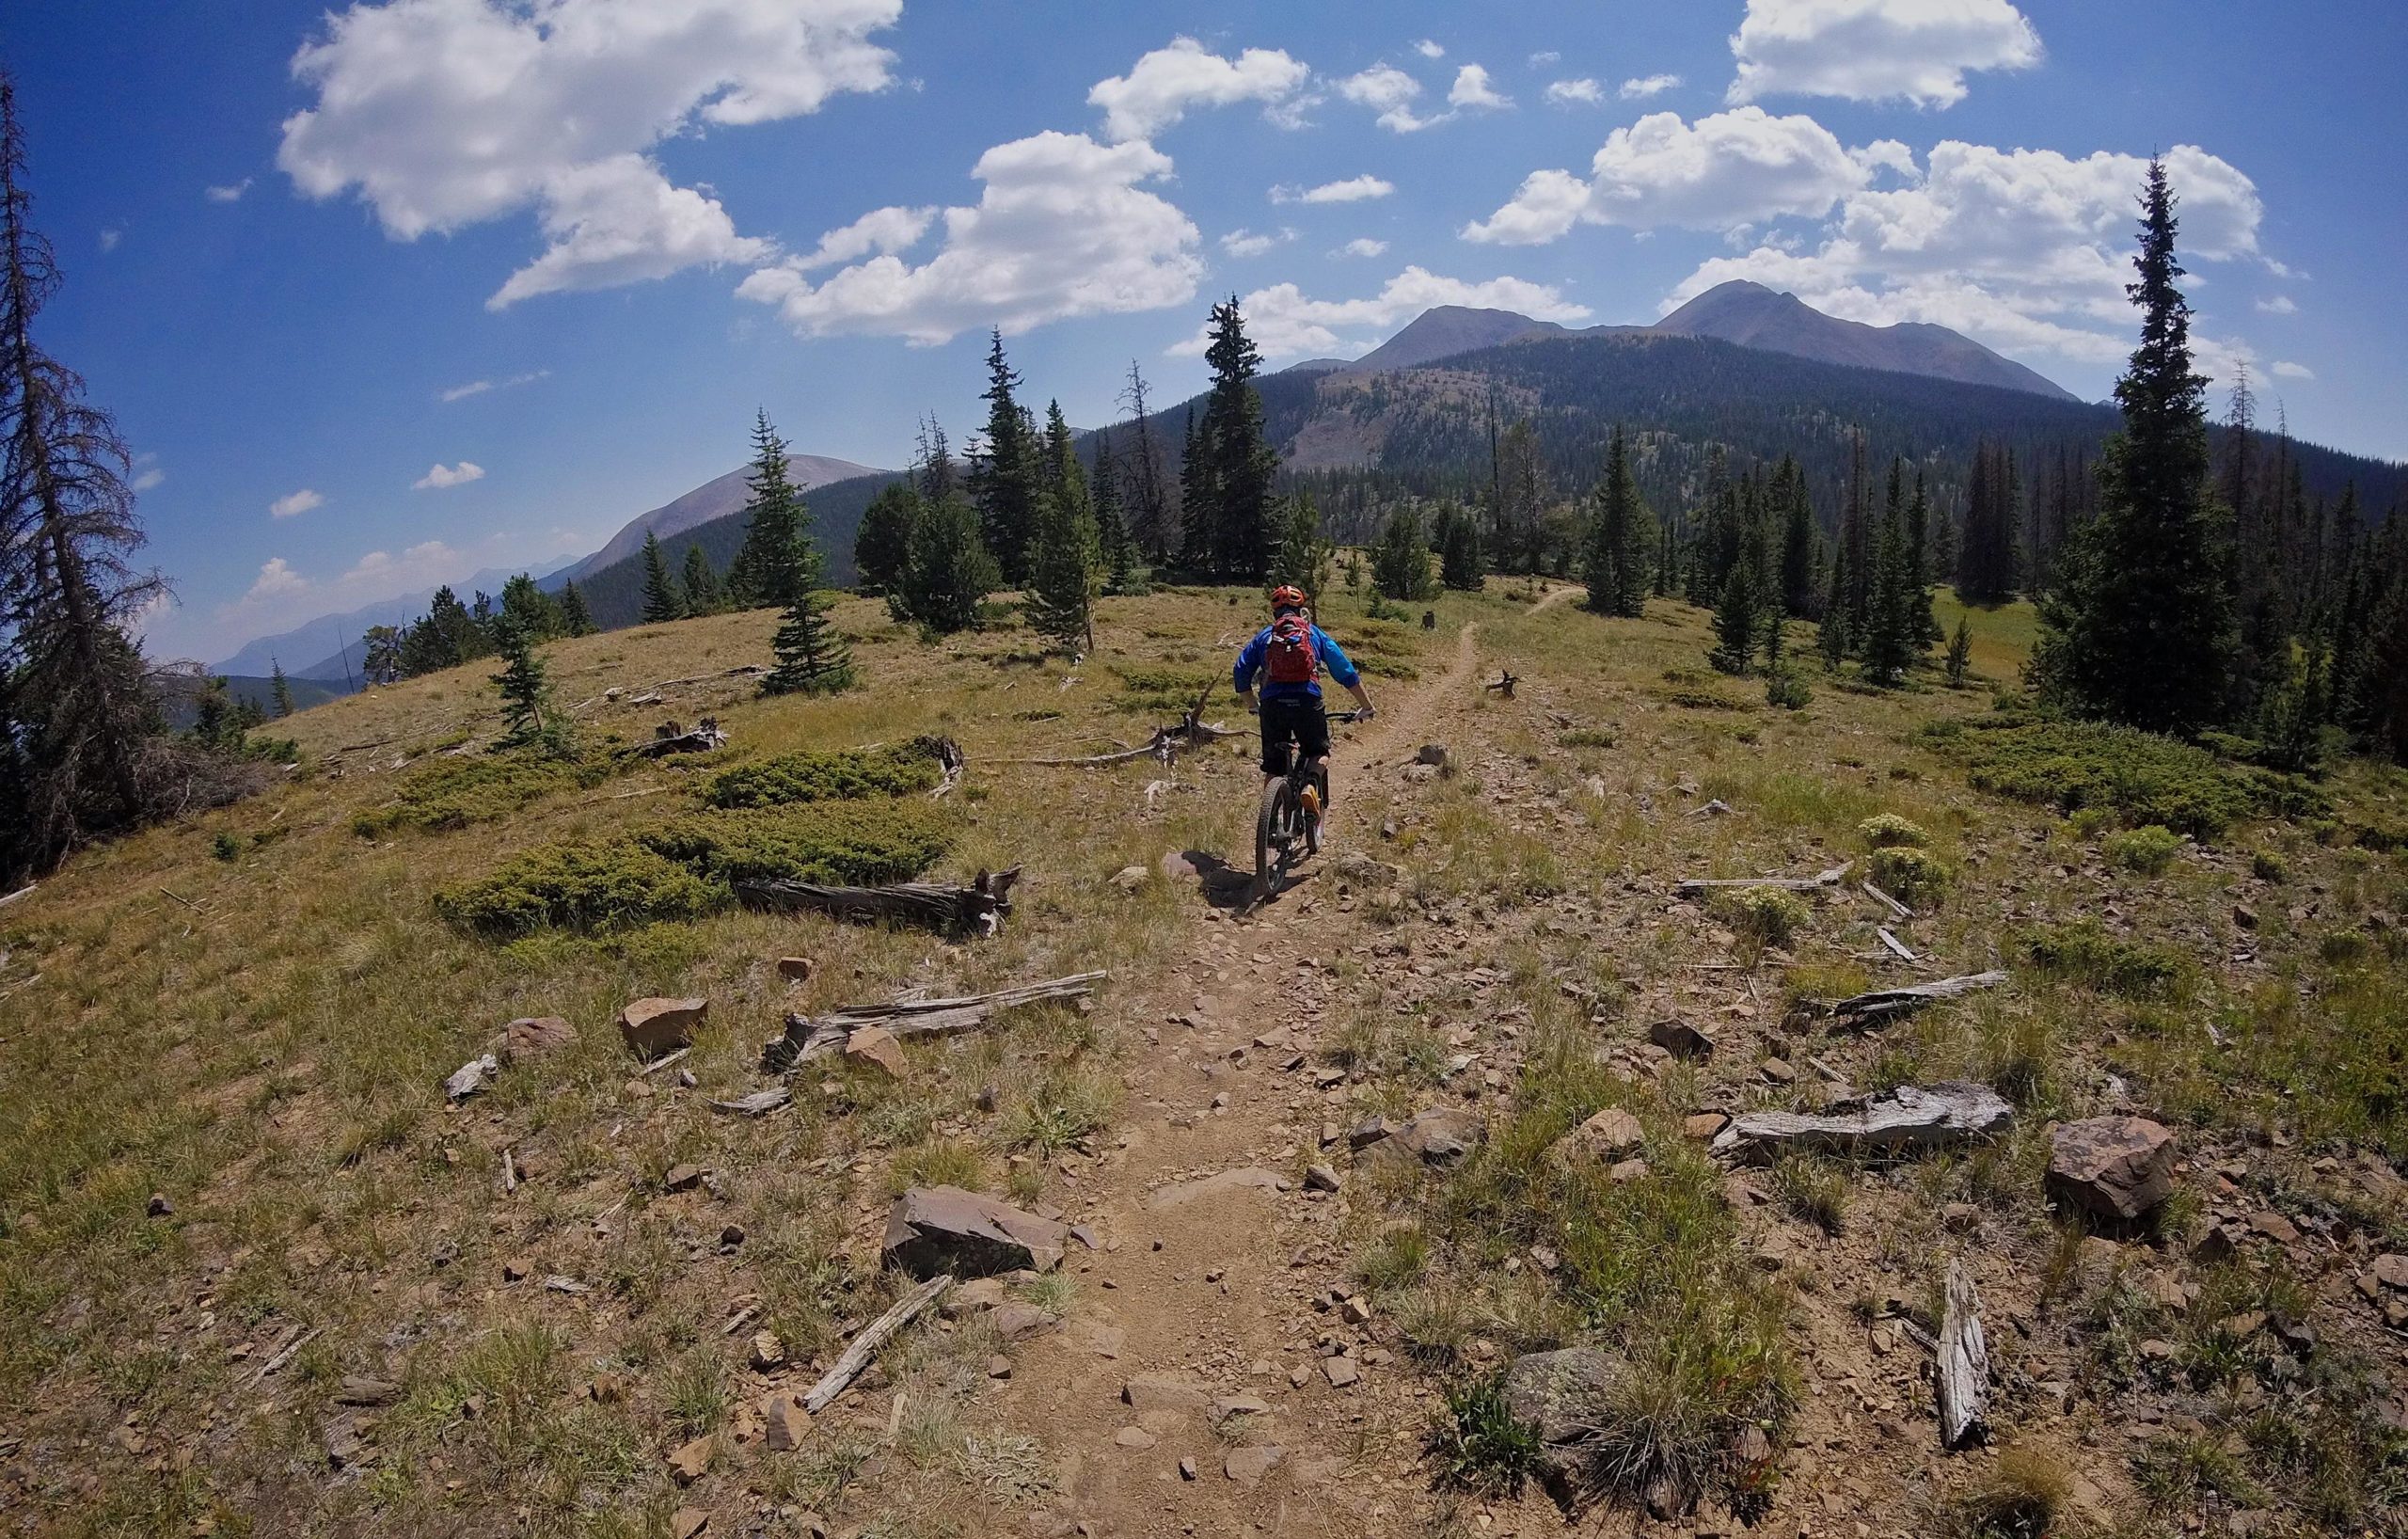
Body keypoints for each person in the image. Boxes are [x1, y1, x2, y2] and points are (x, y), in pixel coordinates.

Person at [1233, 585, 1375, 817]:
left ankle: (1272, 818)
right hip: (1307, 699)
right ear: (1301, 610)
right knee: (1318, 753)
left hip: (1272, 704)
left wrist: (1252, 705)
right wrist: (1367, 705)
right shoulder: (1313, 633)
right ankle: (1310, 785)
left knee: (1274, 766)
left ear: (1274, 614)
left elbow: (1240, 670)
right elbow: (1345, 672)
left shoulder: (1265, 636)